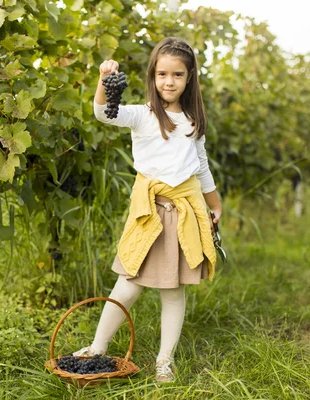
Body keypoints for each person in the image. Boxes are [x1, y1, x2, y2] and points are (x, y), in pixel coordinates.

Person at [73, 37, 223, 383]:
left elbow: (201, 166)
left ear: (189, 78)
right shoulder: (143, 116)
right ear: (153, 77)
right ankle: (98, 347)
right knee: (127, 285)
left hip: (183, 213)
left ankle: (164, 362)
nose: (169, 81)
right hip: (148, 214)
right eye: (162, 74)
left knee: (173, 292)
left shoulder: (192, 120)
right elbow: (103, 114)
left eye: (177, 75)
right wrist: (103, 78)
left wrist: (215, 205)